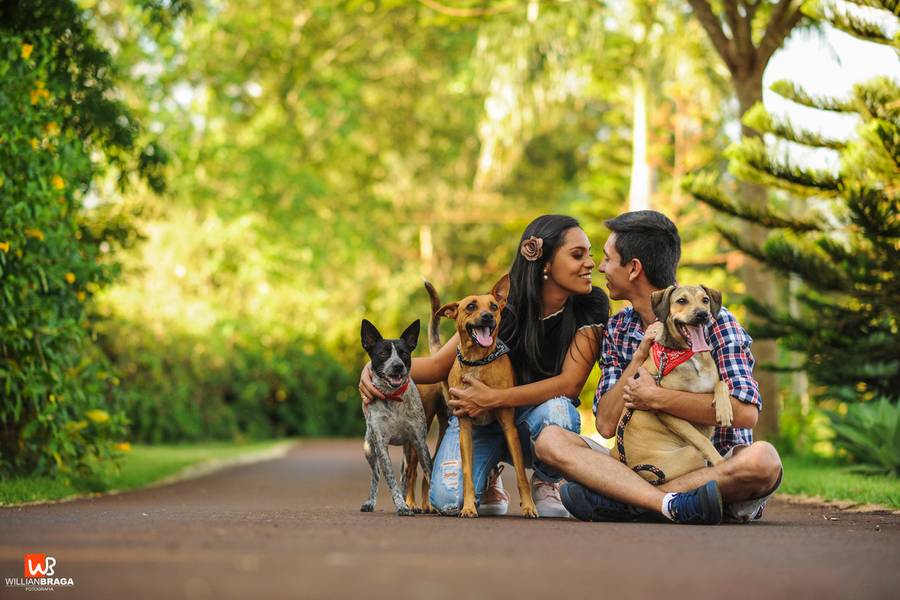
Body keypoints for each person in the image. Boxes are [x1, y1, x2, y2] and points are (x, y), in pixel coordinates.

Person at [534, 210, 783, 524]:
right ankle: (670, 504)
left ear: (634, 268)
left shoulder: (717, 321)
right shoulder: (620, 328)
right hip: (642, 464)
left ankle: (627, 501)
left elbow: (745, 413)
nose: (600, 267)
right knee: (550, 441)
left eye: (608, 259)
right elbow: (607, 425)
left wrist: (656, 399)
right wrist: (639, 358)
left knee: (764, 461)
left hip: (713, 466)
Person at [359, 215, 608, 517]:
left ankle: (545, 481)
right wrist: (374, 370)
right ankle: (489, 472)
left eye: (590, 253)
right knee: (447, 501)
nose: (590, 264)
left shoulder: (591, 304)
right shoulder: (501, 306)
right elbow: (439, 365)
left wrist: (495, 398)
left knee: (559, 408)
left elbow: (569, 385)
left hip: (536, 421)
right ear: (545, 263)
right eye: (577, 254)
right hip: (478, 417)